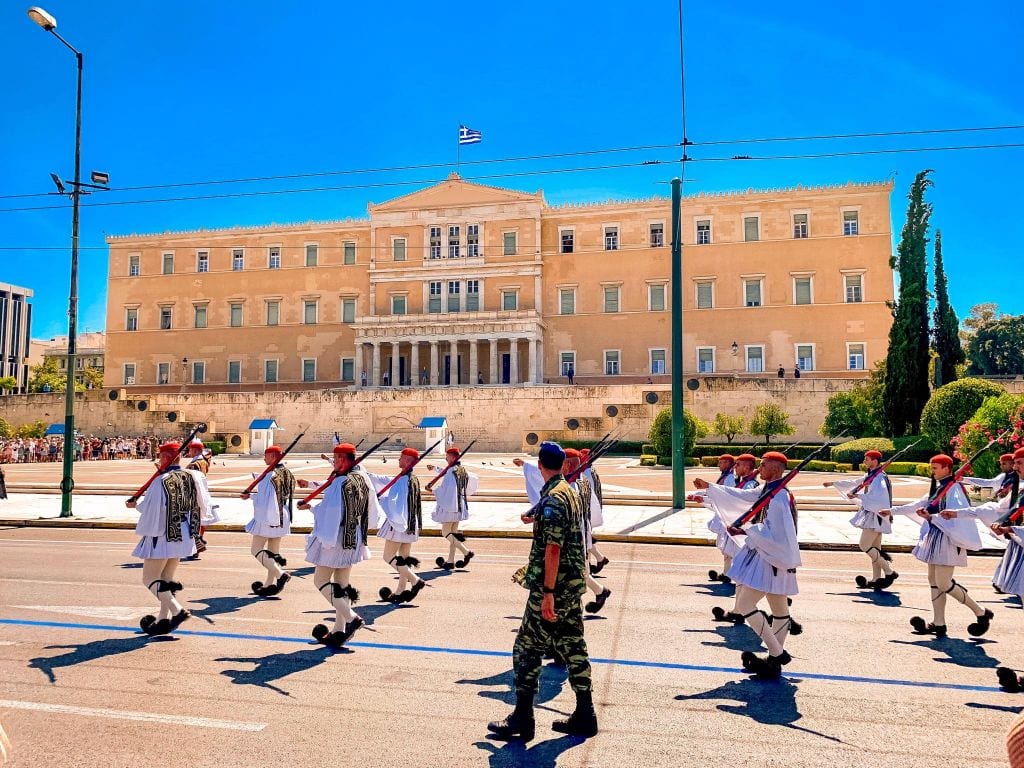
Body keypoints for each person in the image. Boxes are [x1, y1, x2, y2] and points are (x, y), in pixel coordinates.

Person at [488, 441, 597, 741]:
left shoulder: (553, 500)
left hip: (554, 587)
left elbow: (552, 548)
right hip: (573, 584)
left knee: (526, 648)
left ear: (540, 465)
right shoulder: (569, 493)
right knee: (574, 647)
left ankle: (522, 717)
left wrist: (547, 592)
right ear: (562, 465)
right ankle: (585, 714)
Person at [702, 451, 800, 679]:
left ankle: (777, 652)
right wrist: (708, 490)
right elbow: (741, 497)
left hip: (772, 559)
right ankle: (774, 662)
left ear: (775, 469)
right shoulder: (769, 490)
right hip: (771, 558)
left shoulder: (779, 498)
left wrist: (745, 529)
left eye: (764, 465)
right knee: (780, 611)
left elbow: (776, 534)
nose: (760, 468)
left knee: (745, 605)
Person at [882, 454, 991, 638]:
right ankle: (939, 623)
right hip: (935, 537)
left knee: (943, 582)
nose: (932, 472)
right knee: (933, 581)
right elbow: (919, 504)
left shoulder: (954, 489)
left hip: (949, 539)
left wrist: (931, 517)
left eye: (935, 468)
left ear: (947, 468)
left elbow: (956, 515)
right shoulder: (940, 487)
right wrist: (892, 511)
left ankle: (981, 612)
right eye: (932, 468)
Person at [298, 442, 382, 648]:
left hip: (335, 538)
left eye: (335, 459)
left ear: (343, 460)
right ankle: (338, 629)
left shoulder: (341, 483)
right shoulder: (362, 479)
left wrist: (310, 508)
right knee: (341, 587)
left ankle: (353, 618)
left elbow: (331, 512)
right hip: (354, 538)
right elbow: (373, 510)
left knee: (321, 580)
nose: (333, 462)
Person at [126, 441, 211, 636]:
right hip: (183, 533)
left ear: (165, 458)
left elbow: (152, 509)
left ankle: (177, 610)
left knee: (149, 578)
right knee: (166, 579)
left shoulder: (161, 481)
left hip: (163, 534)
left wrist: (135, 505)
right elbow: (202, 505)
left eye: (160, 456)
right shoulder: (192, 477)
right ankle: (162, 620)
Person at [824, 449, 897, 590]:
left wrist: (858, 496)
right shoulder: (871, 475)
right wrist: (833, 483)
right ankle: (876, 579)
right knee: (875, 549)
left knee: (864, 545)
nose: (864, 461)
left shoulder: (879, 478)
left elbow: (878, 497)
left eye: (867, 459)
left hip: (876, 515)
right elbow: (855, 482)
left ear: (875, 461)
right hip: (873, 514)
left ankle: (889, 572)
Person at [366, 447, 427, 604]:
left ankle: (415, 581)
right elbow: (387, 481)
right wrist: (367, 475)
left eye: (401, 457)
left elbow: (394, 503)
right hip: (410, 524)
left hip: (399, 523)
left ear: (407, 460)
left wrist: (380, 500)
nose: (398, 460)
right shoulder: (411, 479)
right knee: (404, 560)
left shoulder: (403, 481)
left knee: (388, 556)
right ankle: (400, 591)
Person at [693, 453, 759, 585]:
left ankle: (742, 579)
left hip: (742, 526)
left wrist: (708, 489)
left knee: (739, 554)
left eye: (738, 464)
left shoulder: (750, 485)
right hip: (734, 523)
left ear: (746, 467)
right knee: (729, 552)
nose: (735, 466)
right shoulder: (742, 483)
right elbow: (727, 501)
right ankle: (728, 574)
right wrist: (704, 500)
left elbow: (737, 500)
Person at [240, 445, 294, 597]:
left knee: (256, 550)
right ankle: (269, 585)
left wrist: (250, 497)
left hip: (269, 517)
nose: (264, 458)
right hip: (282, 515)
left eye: (266, 455)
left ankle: (280, 574)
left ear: (272, 457)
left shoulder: (270, 476)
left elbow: (264, 501)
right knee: (273, 553)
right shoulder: (287, 473)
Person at [429, 446, 479, 569]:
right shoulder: (460, 469)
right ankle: (450, 561)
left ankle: (466, 552)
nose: (445, 458)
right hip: (459, 504)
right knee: (453, 534)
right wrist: (435, 468)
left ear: (451, 457)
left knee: (446, 532)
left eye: (447, 456)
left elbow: (448, 489)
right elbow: (447, 471)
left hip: (451, 505)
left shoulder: (452, 472)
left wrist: (433, 490)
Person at [579, 448, 610, 574]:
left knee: (585, 539)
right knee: (586, 539)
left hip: (588, 511)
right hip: (590, 510)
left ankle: (593, 562)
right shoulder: (590, 469)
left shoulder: (586, 472)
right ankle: (597, 560)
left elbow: (588, 494)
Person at [182, 439, 214, 560]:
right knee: (199, 521)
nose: (189, 451)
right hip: (201, 493)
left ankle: (196, 547)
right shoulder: (203, 461)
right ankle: (198, 541)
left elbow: (191, 480)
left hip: (194, 495)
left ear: (195, 450)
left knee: (193, 522)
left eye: (190, 449)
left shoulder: (196, 464)